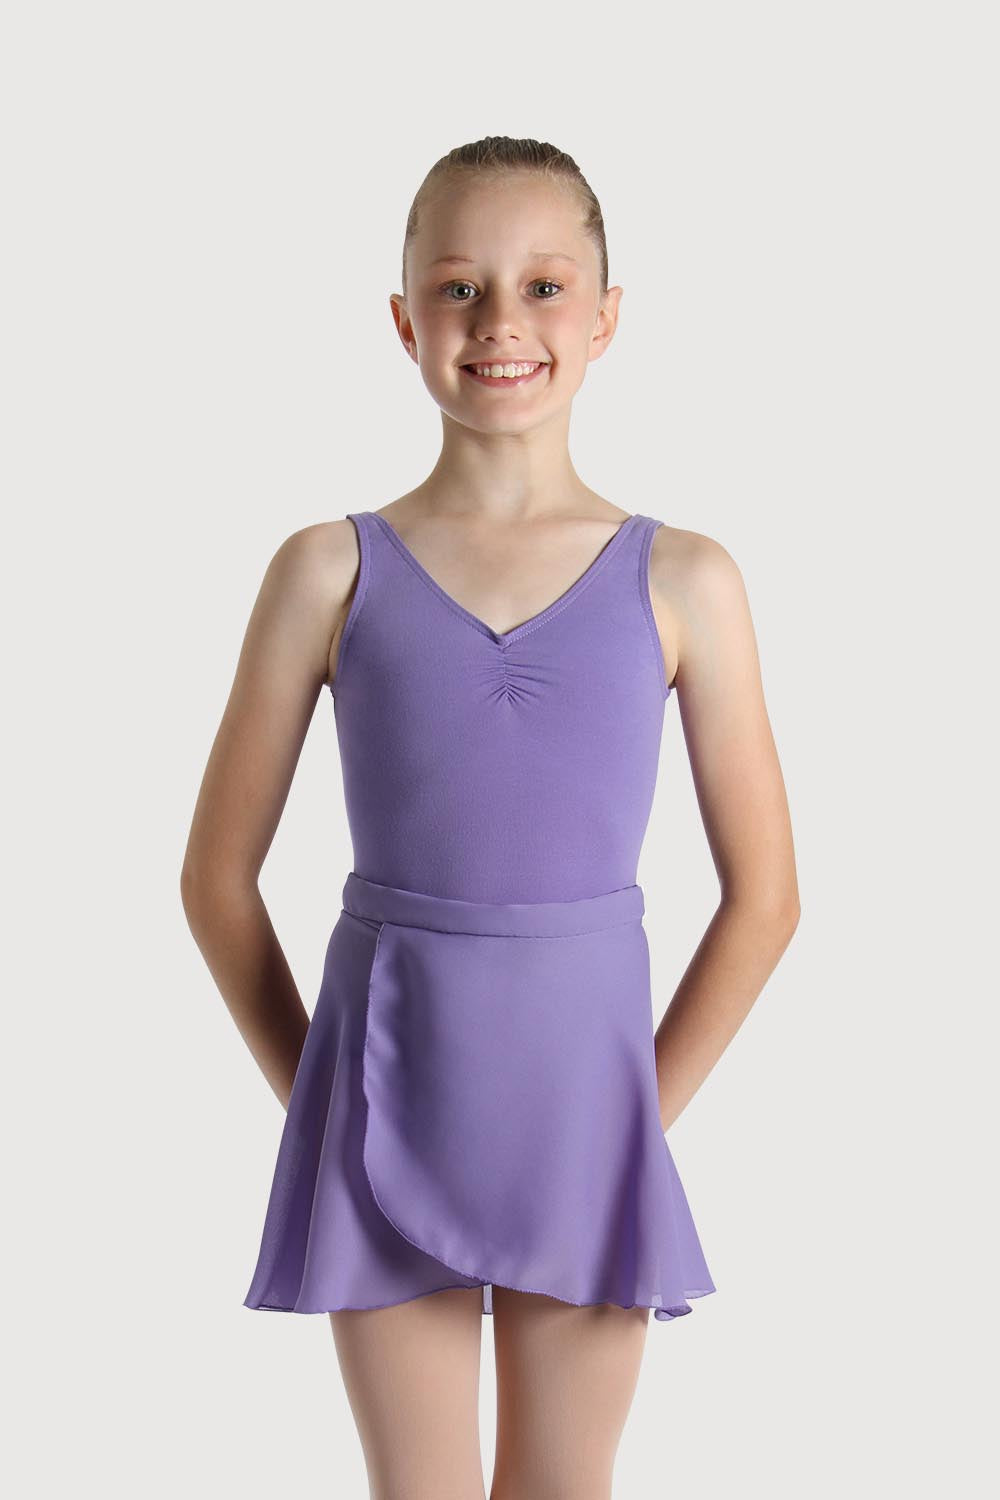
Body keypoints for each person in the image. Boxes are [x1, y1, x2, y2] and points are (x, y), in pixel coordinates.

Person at [181, 136, 800, 1500]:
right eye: (460, 288)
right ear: (406, 320)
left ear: (606, 316)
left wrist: (634, 1117)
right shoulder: (326, 571)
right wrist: (322, 1102)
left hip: (588, 1117)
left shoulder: (687, 579)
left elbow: (767, 900)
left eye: (544, 286)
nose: (502, 322)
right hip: (380, 1095)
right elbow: (217, 880)